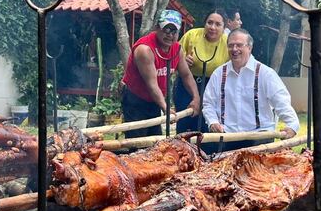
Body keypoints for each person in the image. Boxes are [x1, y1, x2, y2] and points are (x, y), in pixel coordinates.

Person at [202, 28, 299, 151]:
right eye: (231, 45)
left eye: (239, 45)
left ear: (249, 48)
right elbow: (208, 103)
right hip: (227, 139)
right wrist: (213, 122)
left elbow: (281, 102)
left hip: (260, 139)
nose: (234, 49)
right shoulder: (219, 74)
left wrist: (292, 125)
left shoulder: (266, 74)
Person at [121, 10, 200, 139]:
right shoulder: (145, 50)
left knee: (155, 141)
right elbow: (152, 85)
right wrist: (165, 107)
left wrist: (196, 98)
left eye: (174, 31)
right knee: (137, 143)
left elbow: (186, 75)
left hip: (154, 100)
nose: (170, 35)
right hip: (135, 100)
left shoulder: (177, 49)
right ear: (157, 28)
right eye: (166, 30)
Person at [174, 9, 230, 133]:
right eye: (209, 23)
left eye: (218, 24)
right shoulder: (192, 35)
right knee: (185, 122)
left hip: (213, 87)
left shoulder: (227, 43)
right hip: (187, 85)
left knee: (206, 124)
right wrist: (183, 62)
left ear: (224, 27)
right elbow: (174, 57)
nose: (213, 27)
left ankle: (204, 151)